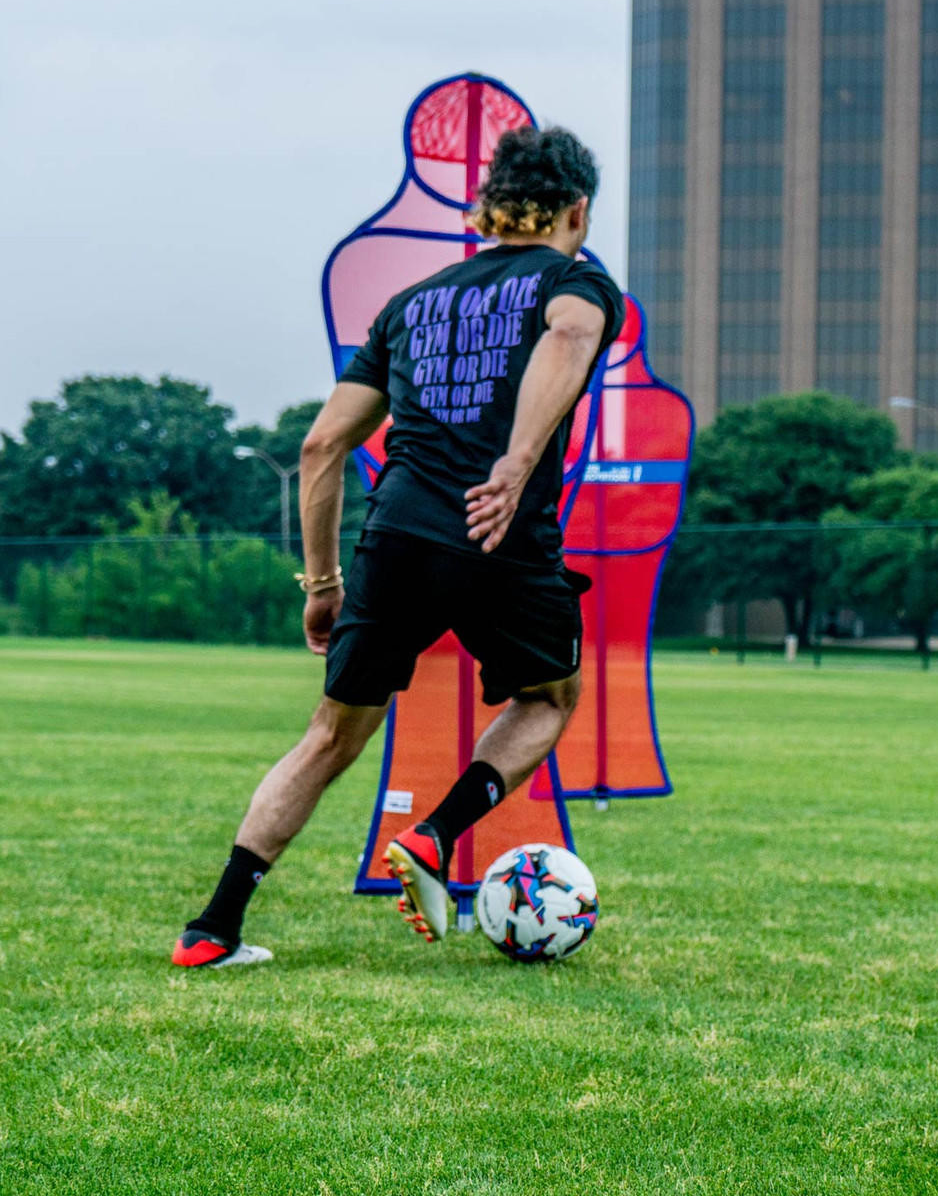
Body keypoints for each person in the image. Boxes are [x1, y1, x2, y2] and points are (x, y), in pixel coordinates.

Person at [173, 125, 625, 968]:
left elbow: (319, 447)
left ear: (490, 209)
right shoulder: (578, 283)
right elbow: (566, 337)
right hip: (502, 536)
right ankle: (437, 834)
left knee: (331, 734)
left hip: (394, 537)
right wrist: (516, 463)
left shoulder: (411, 304)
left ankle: (213, 927)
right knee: (548, 698)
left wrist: (322, 581)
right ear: (577, 210)